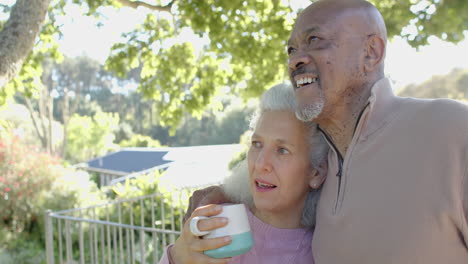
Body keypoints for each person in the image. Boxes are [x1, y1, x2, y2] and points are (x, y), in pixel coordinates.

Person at [186, 0, 468, 263]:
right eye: (291, 50)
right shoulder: (319, 161)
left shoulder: (449, 128)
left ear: (371, 52)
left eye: (314, 40)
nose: (295, 61)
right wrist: (222, 194)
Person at [158, 84, 329, 264]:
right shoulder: (218, 225)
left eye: (282, 150)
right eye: (257, 144)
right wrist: (176, 257)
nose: (261, 163)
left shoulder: (323, 253)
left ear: (316, 172)